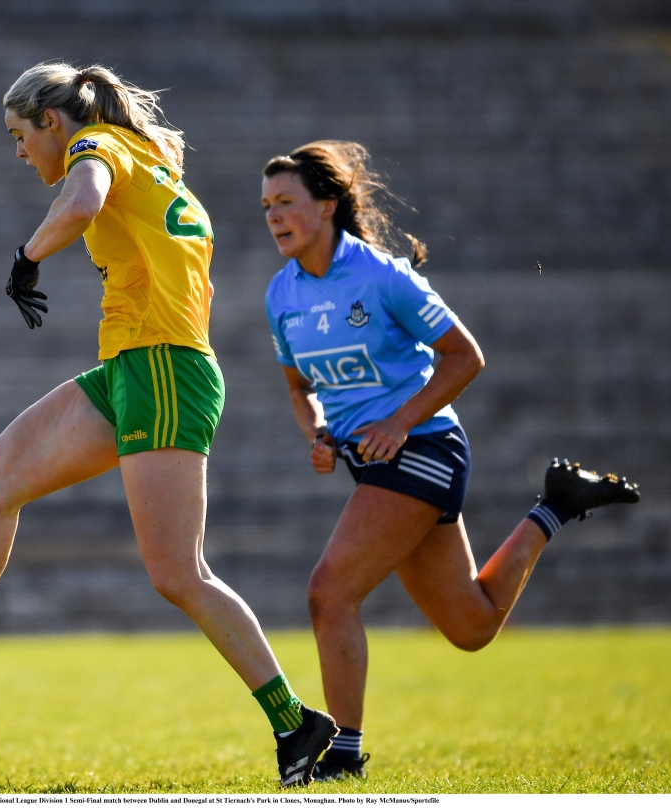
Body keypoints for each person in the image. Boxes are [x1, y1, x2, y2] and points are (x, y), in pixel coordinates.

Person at [0, 63, 338, 788]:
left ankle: (296, 721)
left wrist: (26, 257)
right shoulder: (145, 152)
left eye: (20, 136)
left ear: (53, 122)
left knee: (179, 573)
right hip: (129, 368)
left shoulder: (96, 149)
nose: (19, 153)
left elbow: (83, 202)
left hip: (163, 370)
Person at [259, 141, 641, 782]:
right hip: (372, 461)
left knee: (329, 595)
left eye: (286, 202)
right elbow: (300, 390)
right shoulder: (281, 295)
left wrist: (397, 421)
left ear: (326, 207)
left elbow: (465, 356)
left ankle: (345, 754)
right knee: (471, 624)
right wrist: (319, 435)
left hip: (425, 448)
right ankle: (557, 504)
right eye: (266, 205)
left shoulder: (383, 276)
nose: (273, 216)